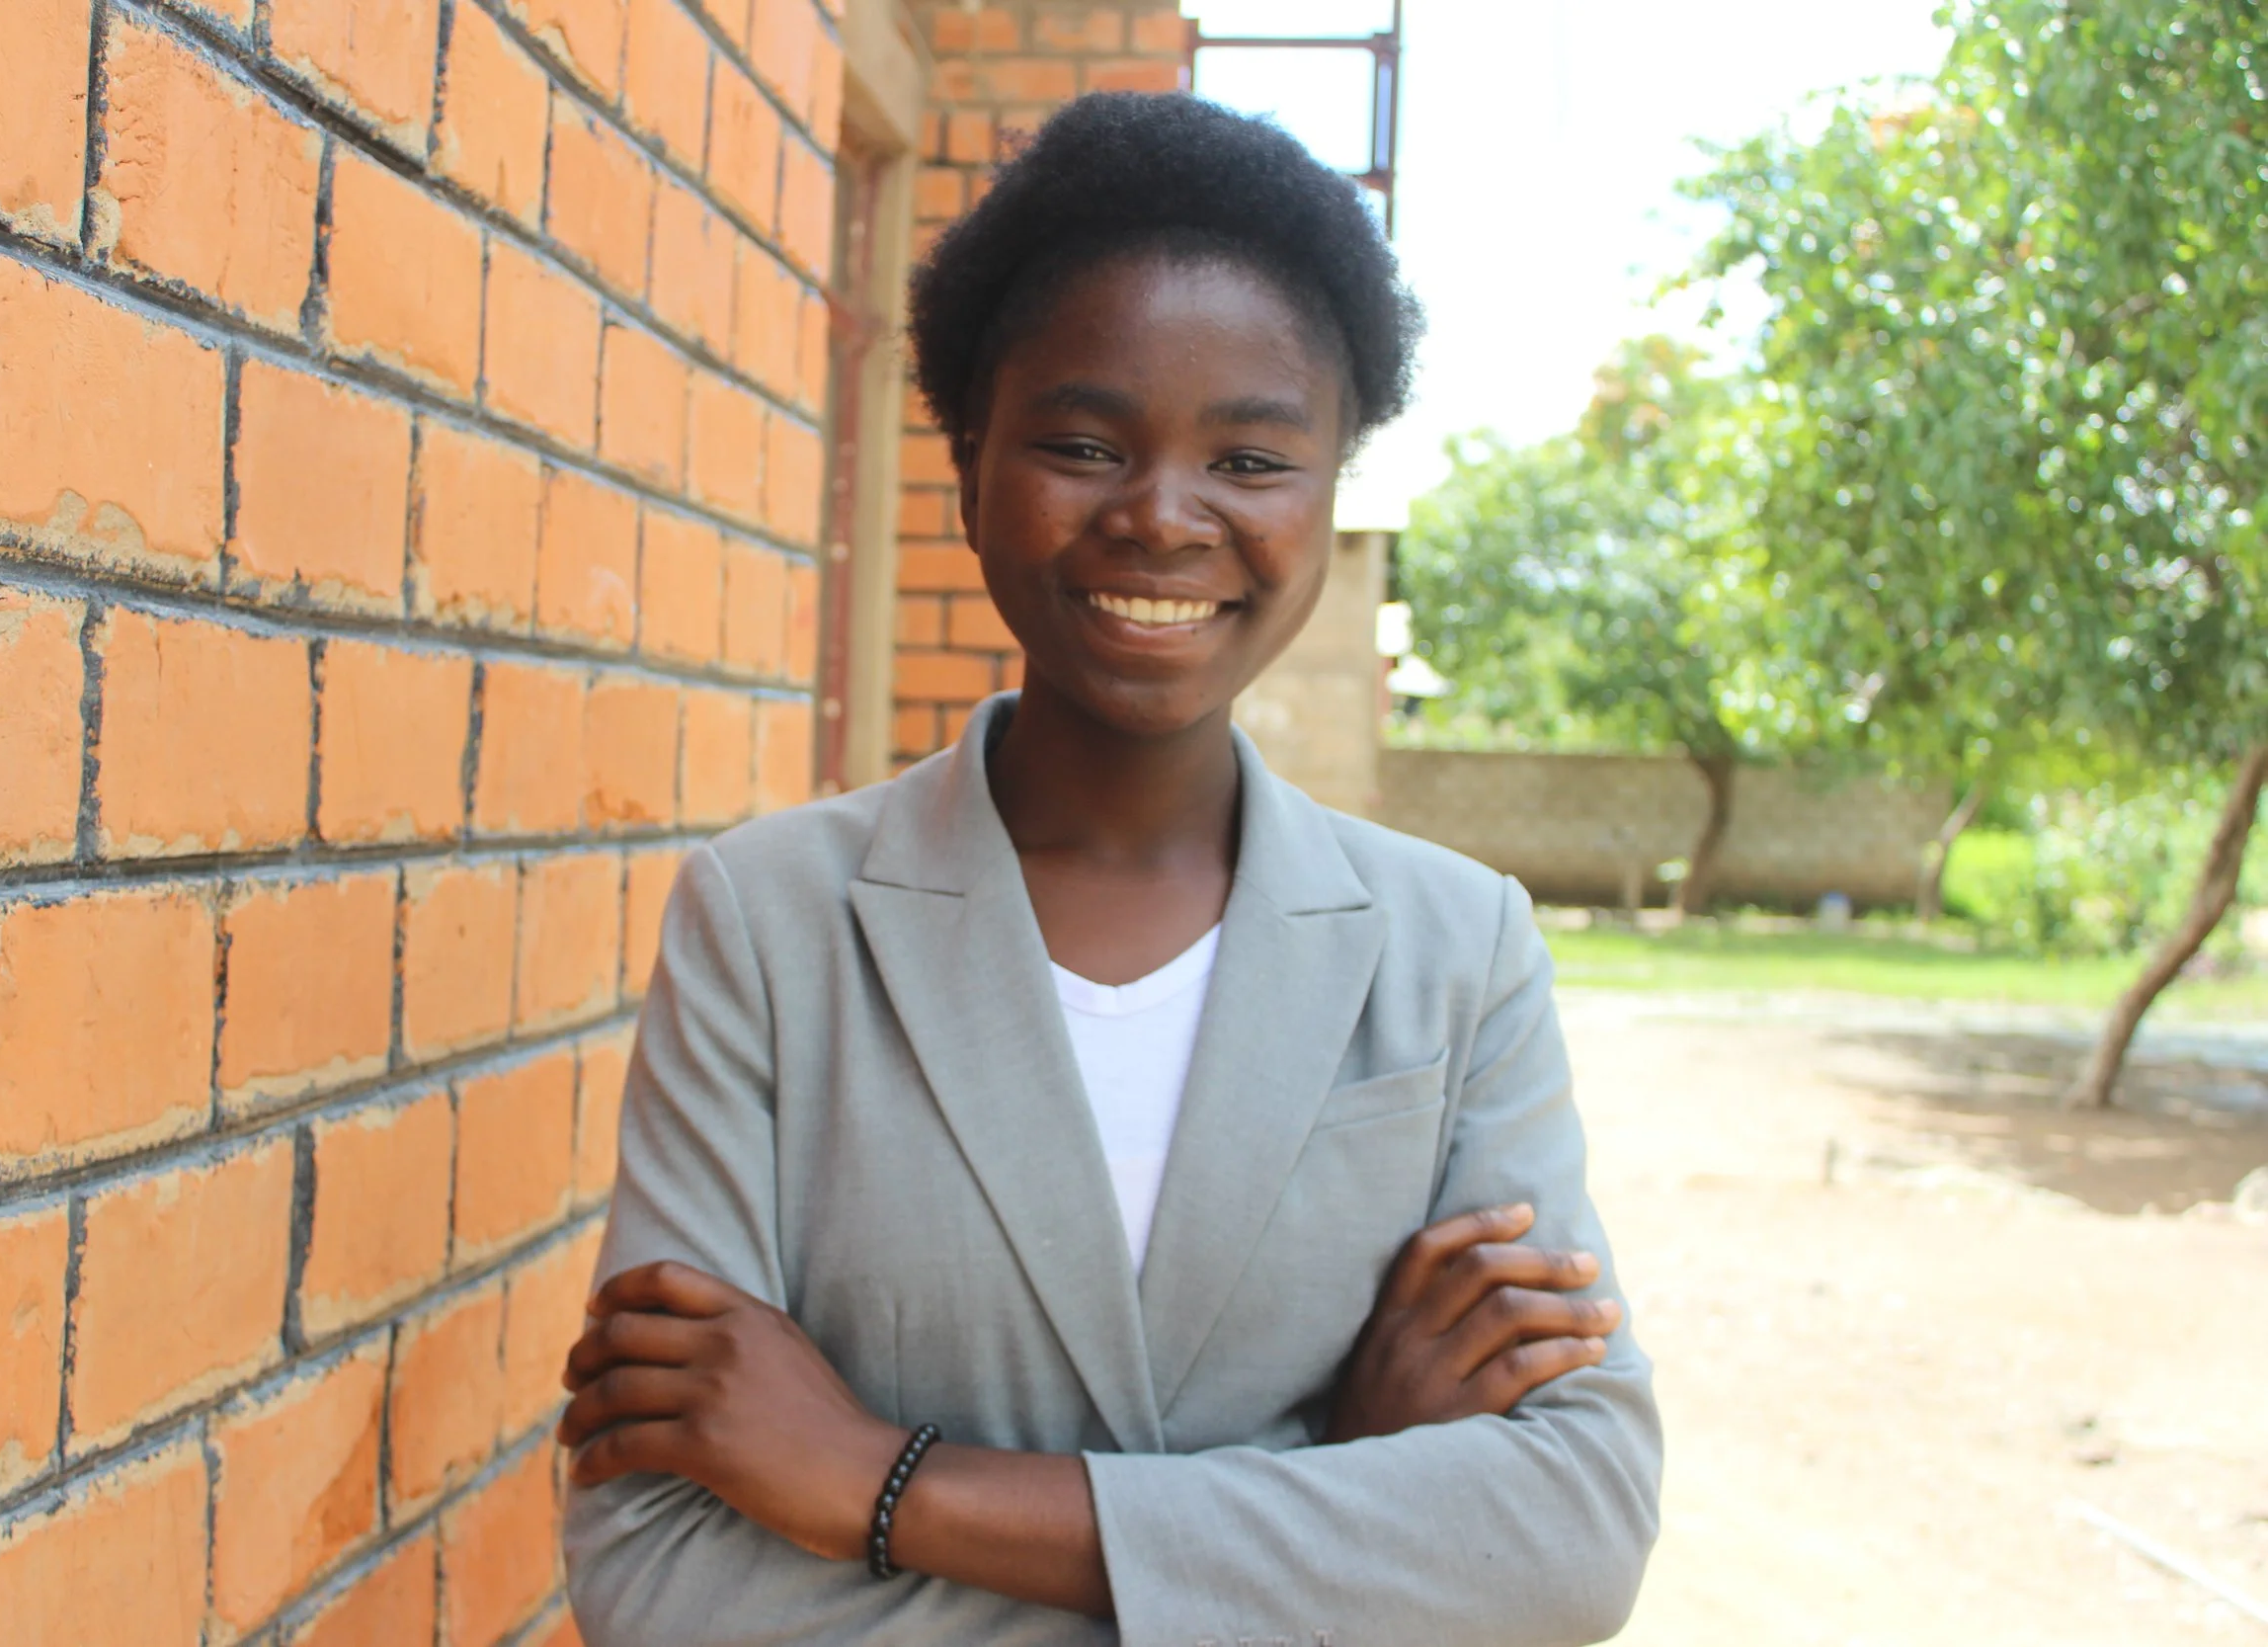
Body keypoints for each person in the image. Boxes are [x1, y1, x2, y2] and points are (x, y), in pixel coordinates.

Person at [556, 92, 1660, 1646]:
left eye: (1252, 457)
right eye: (1082, 443)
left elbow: (1568, 1535)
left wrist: (882, 1482)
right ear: (970, 466)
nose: (1160, 515)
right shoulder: (771, 922)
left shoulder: (1454, 948)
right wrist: (1332, 1500)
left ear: (1330, 492)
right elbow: (661, 1573)